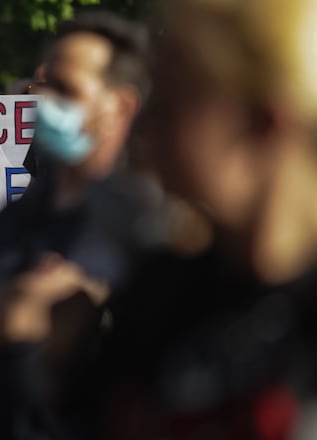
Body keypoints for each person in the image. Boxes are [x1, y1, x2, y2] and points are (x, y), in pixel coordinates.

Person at [46, 0, 317, 438]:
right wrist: (66, 362)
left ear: (263, 123)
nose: (143, 127)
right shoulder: (162, 292)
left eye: (171, 99)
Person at [0, 13, 151, 439]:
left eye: (64, 91)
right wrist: (5, 308)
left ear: (121, 106)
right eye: (42, 86)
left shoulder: (140, 225)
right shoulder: (23, 210)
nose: (45, 103)